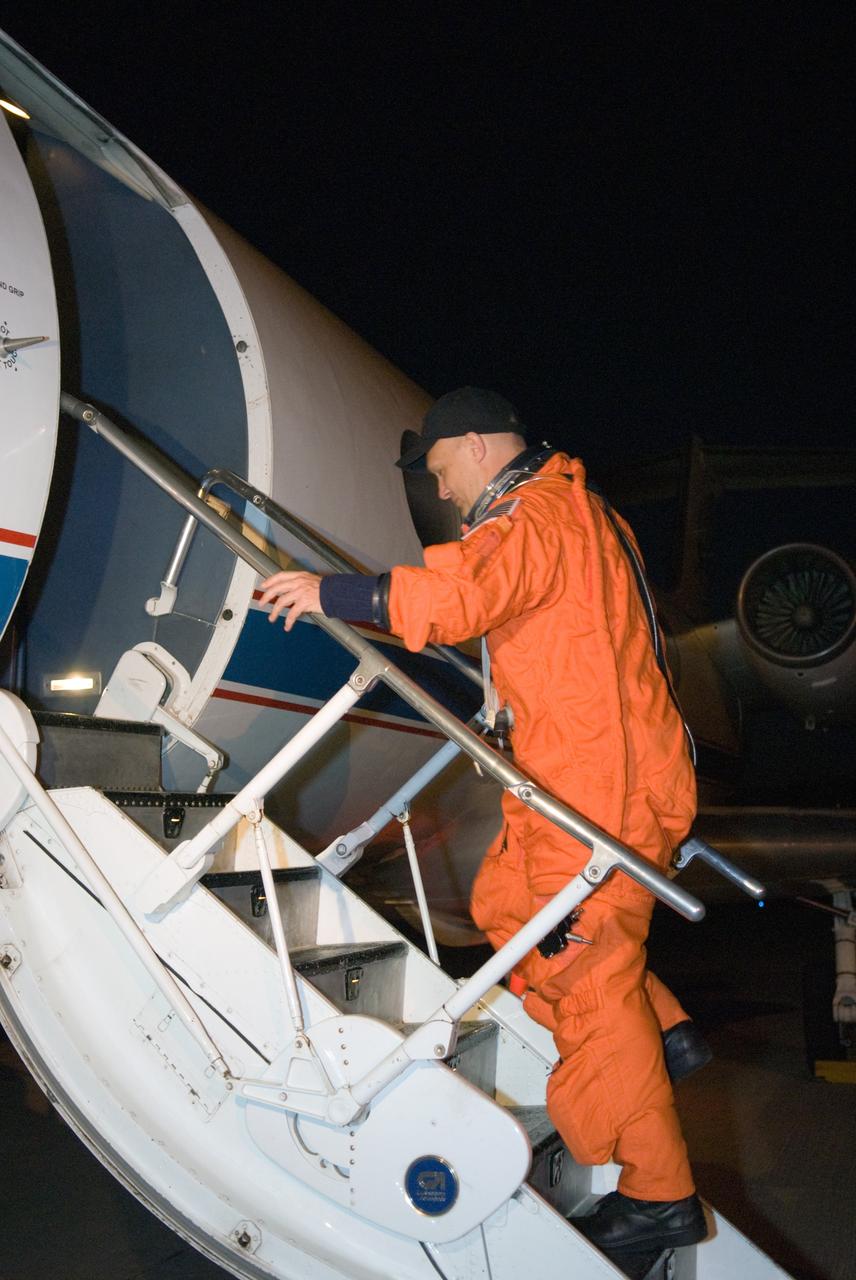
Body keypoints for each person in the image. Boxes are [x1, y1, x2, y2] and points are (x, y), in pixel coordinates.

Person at [259, 387, 709, 1262]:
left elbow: (462, 597)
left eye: (441, 475)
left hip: (594, 787)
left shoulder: (532, 515)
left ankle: (660, 1194)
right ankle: (661, 1027)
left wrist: (330, 593)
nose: (447, 496)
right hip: (585, 774)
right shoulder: (577, 509)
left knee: (581, 973)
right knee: (506, 905)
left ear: (474, 447)